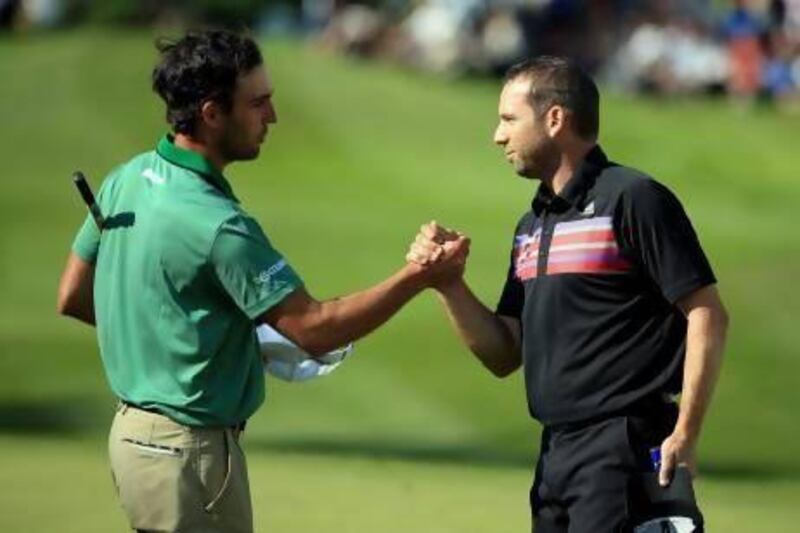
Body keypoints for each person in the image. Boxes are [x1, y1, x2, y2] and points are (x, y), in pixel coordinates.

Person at [56, 29, 468, 533]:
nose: (272, 116)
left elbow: (73, 296)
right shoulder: (219, 225)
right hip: (189, 456)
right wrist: (420, 276)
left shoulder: (125, 178)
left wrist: (180, 337)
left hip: (133, 442)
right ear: (211, 112)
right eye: (259, 103)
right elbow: (315, 328)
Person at [407, 56, 729, 532]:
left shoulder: (633, 198)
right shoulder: (533, 225)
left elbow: (707, 313)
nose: (498, 136)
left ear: (554, 119)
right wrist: (447, 284)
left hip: (623, 445)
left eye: (509, 119)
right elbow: (504, 353)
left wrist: (687, 430)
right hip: (557, 454)